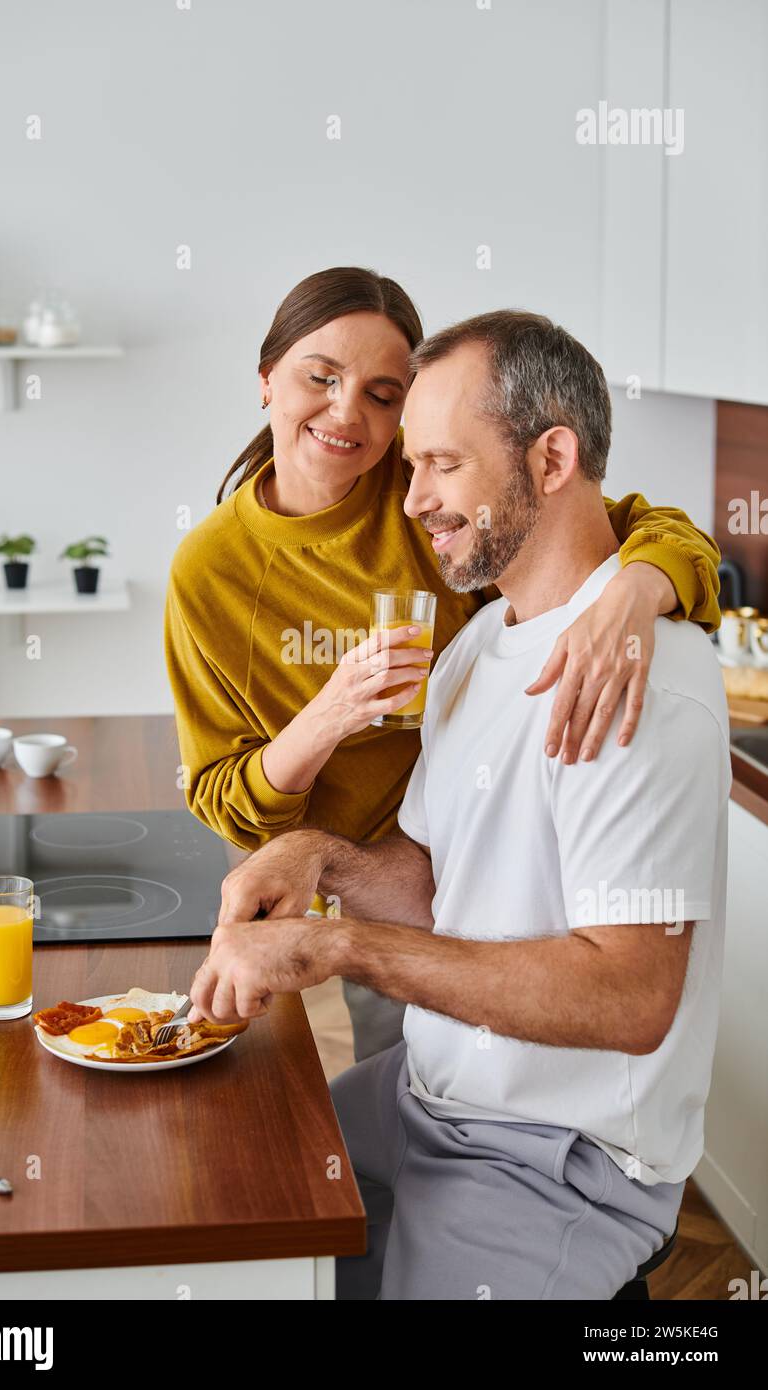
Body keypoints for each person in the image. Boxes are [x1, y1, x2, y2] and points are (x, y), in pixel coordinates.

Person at [187, 310, 731, 1301]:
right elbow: (436, 886)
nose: (413, 498)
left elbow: (629, 998)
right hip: (424, 1097)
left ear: (551, 456)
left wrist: (341, 946)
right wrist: (320, 856)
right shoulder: (475, 651)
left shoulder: (632, 677)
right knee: (224, 1194)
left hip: (556, 1154)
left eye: (440, 464)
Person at [165, 267, 721, 1062]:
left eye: (384, 396)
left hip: (442, 877)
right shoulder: (213, 568)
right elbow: (221, 794)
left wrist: (634, 591)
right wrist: (331, 722)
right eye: (320, 377)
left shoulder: (431, 492)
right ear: (266, 379)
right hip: (378, 874)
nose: (346, 413)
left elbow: (612, 519)